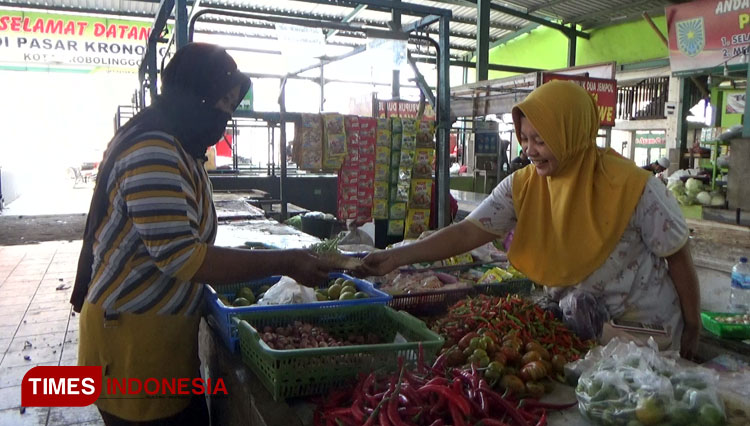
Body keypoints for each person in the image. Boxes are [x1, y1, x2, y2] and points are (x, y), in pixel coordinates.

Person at [71, 43, 334, 426]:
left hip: (160, 339)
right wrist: (285, 261)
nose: (224, 117)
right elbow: (182, 257)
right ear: (193, 95)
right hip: (131, 345)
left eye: (230, 107)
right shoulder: (153, 150)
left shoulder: (180, 147)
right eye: (220, 104)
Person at [358, 80, 700, 359]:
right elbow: (467, 232)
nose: (529, 150)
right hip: (580, 331)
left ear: (572, 133)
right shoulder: (524, 186)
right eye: (524, 139)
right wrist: (397, 256)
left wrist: (694, 323)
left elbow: (677, 254)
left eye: (540, 139)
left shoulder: (634, 186)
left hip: (645, 333)